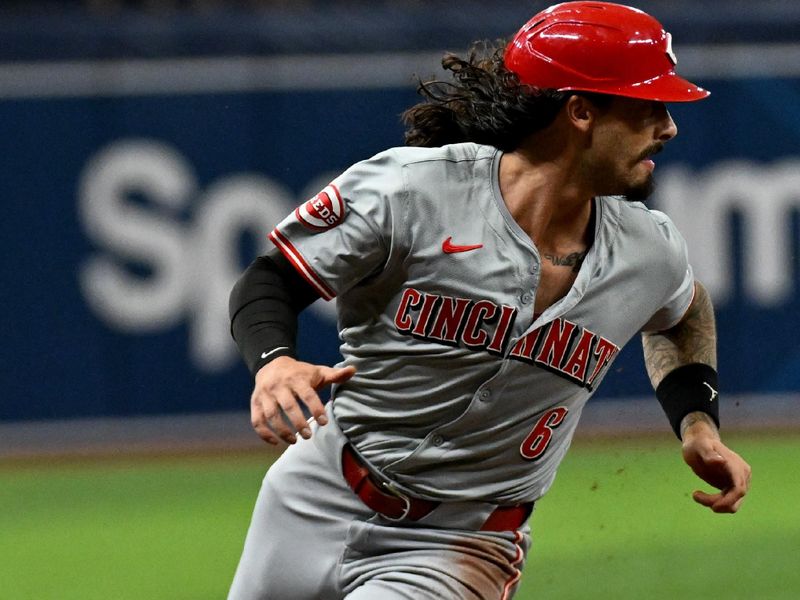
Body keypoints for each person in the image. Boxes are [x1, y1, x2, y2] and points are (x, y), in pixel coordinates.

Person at [226, 2, 752, 598]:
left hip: (461, 545)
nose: (668, 125)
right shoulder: (413, 192)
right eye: (647, 105)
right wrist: (275, 363)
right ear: (580, 111)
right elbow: (270, 280)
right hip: (314, 495)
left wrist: (698, 424)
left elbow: (684, 314)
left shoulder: (648, 250)